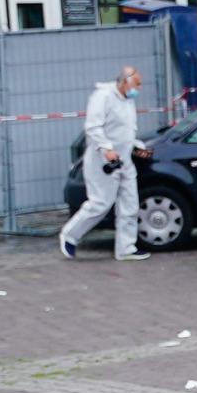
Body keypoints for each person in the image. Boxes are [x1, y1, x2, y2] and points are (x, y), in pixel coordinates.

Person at [58, 64, 146, 259]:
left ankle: (126, 248)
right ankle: (70, 236)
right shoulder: (103, 97)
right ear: (125, 82)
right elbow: (93, 127)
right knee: (100, 204)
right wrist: (106, 148)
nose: (139, 89)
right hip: (102, 160)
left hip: (124, 160)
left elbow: (125, 130)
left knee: (130, 205)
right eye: (137, 84)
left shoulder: (126, 100)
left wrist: (136, 146)